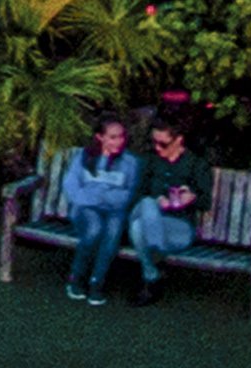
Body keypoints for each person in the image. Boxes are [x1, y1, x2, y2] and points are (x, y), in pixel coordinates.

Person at [109, 111, 210, 299]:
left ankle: (152, 275)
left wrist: (191, 197)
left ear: (179, 140)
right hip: (146, 213)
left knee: (139, 228)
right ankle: (157, 258)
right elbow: (136, 194)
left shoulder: (197, 165)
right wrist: (157, 200)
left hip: (178, 228)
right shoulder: (150, 161)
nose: (157, 148)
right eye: (154, 142)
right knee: (147, 203)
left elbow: (206, 202)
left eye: (163, 144)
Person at [55, 115, 142, 304]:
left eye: (121, 136)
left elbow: (128, 194)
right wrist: (97, 198)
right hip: (85, 208)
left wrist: (102, 197)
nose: (118, 141)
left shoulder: (130, 162)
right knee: (94, 229)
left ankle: (97, 281)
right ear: (100, 137)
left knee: (112, 232)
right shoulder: (84, 156)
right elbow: (71, 186)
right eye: (112, 137)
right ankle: (76, 277)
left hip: (114, 210)